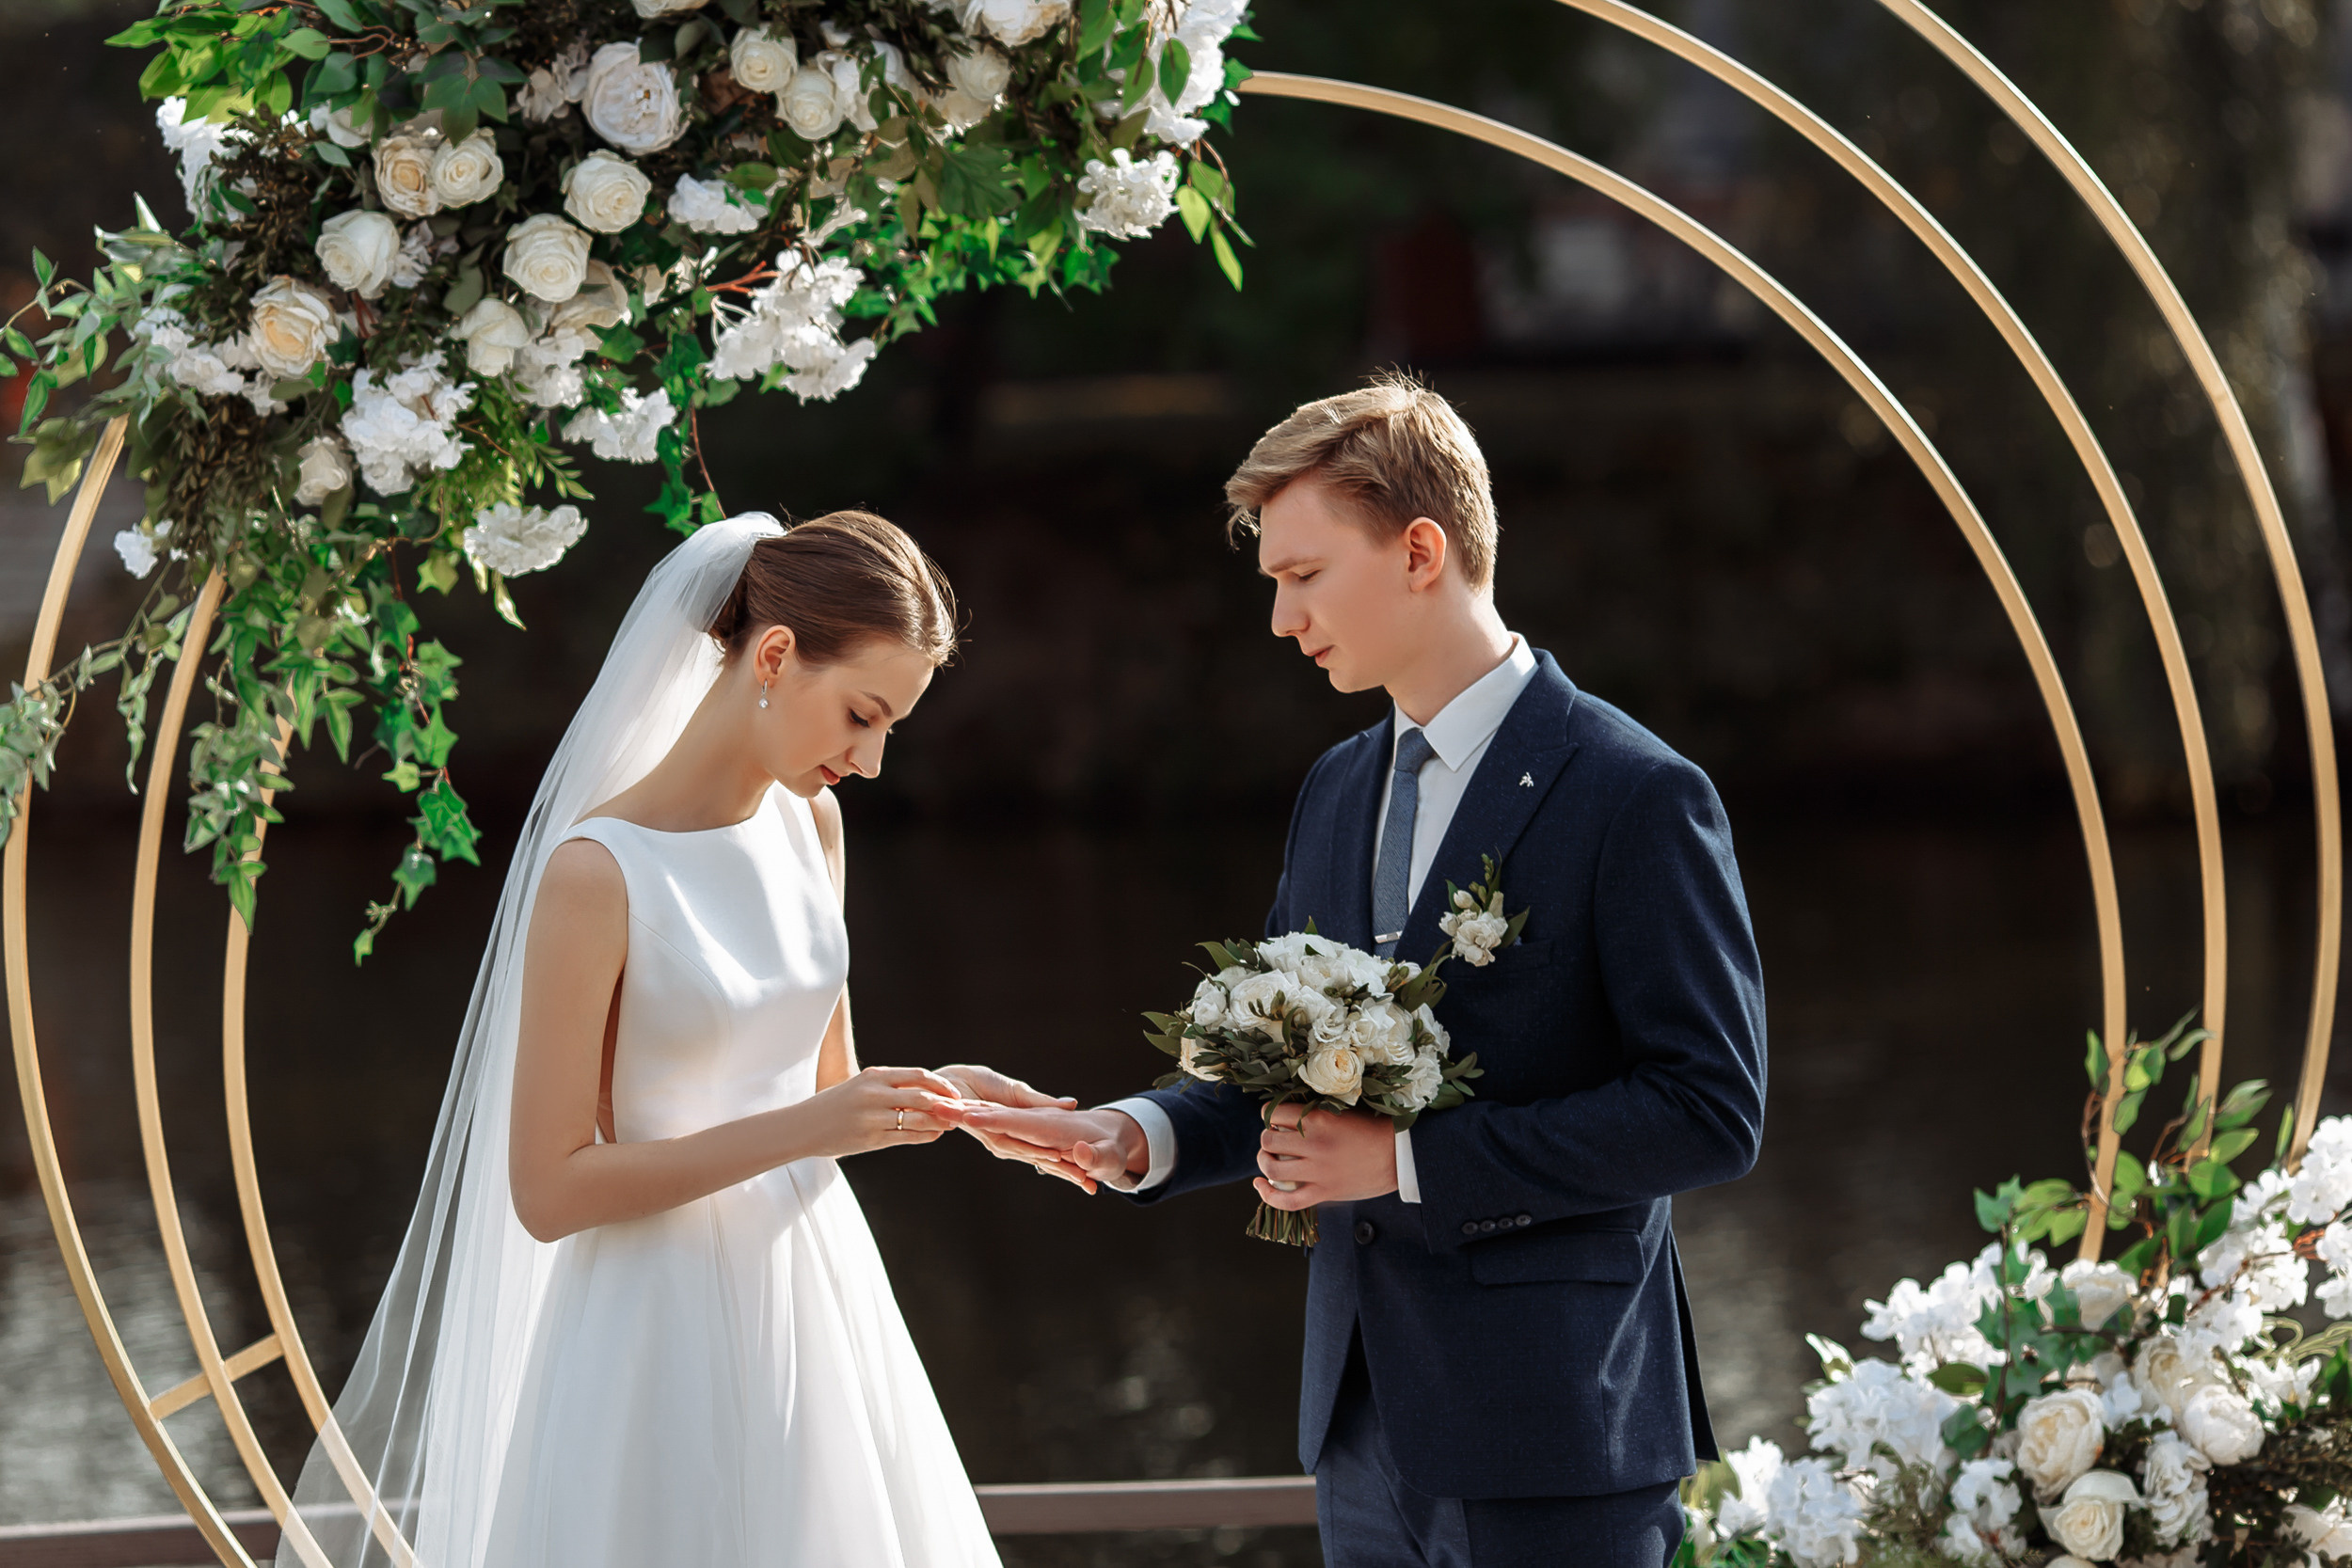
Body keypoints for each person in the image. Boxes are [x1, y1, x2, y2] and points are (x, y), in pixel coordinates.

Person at [949, 374, 1770, 1568]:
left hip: (1556, 1428)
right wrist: (1129, 1135)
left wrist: (1406, 1161)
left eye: (1303, 574)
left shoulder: (1635, 792)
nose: (1282, 618)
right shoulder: (1336, 787)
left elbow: (1709, 1110)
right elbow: (1279, 1074)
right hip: (1358, 1432)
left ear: (1420, 551)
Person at [275, 512, 1062, 1568]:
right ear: (773, 656)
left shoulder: (813, 825)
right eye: (861, 715)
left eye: (889, 729)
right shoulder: (597, 872)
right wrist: (811, 1127)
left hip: (816, 1293)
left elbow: (824, 1085)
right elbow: (548, 1189)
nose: (871, 760)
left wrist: (947, 1097)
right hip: (657, 1324)